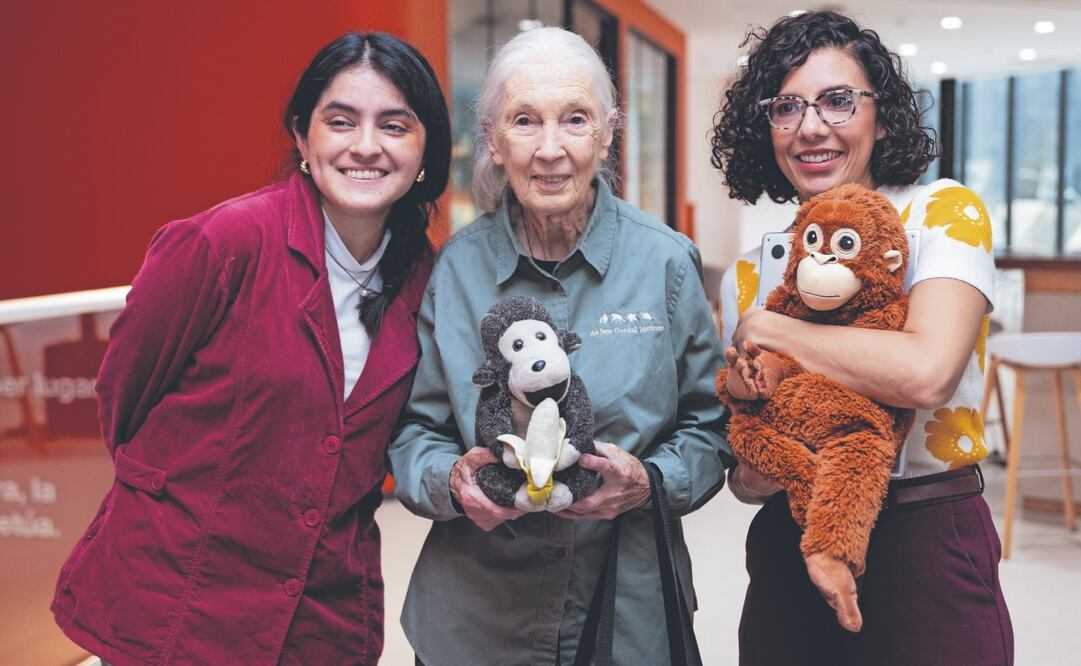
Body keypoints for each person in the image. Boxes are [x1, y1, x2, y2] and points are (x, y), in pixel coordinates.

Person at [50, 32, 450, 665]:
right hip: (178, 598)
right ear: (301, 137)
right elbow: (122, 398)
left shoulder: (429, 280)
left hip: (323, 612)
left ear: (426, 149)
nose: (366, 146)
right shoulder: (222, 243)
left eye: (394, 125)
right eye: (340, 121)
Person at [388, 26, 726, 666]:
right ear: (491, 138)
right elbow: (413, 429)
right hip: (479, 620)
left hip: (626, 612)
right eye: (524, 121)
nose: (550, 150)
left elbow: (713, 428)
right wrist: (451, 479)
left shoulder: (665, 264)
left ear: (607, 132)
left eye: (575, 120)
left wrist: (650, 481)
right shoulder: (453, 271)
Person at [710, 10, 1013, 665]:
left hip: (925, 540)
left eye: (837, 101)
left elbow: (925, 370)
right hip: (790, 544)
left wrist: (771, 328)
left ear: (880, 115)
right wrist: (757, 463)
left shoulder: (940, 214)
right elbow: (744, 474)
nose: (811, 127)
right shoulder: (755, 268)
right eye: (786, 107)